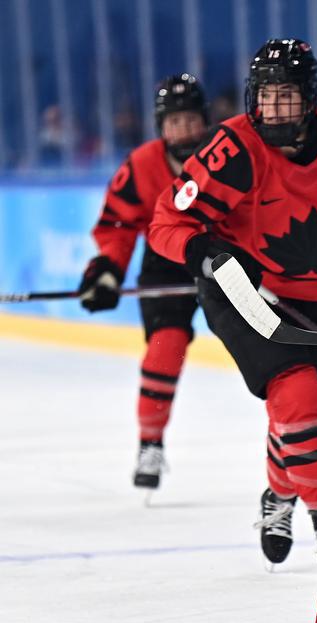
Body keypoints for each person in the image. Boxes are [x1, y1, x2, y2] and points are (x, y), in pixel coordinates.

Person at [147, 39, 317, 568]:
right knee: (297, 398)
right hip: (240, 292)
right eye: (265, 96)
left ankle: (279, 492)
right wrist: (204, 252)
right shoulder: (235, 149)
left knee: (294, 410)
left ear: (310, 98)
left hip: (312, 298)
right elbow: (165, 222)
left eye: (285, 96)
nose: (272, 108)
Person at [78, 74, 210, 493]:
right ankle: (150, 441)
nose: (183, 130)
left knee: (273, 345)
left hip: (226, 258)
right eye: (173, 122)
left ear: (204, 121)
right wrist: (108, 271)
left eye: (190, 120)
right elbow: (116, 224)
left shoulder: (227, 153)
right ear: (160, 127)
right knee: (164, 349)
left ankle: (297, 430)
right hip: (165, 262)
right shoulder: (141, 164)